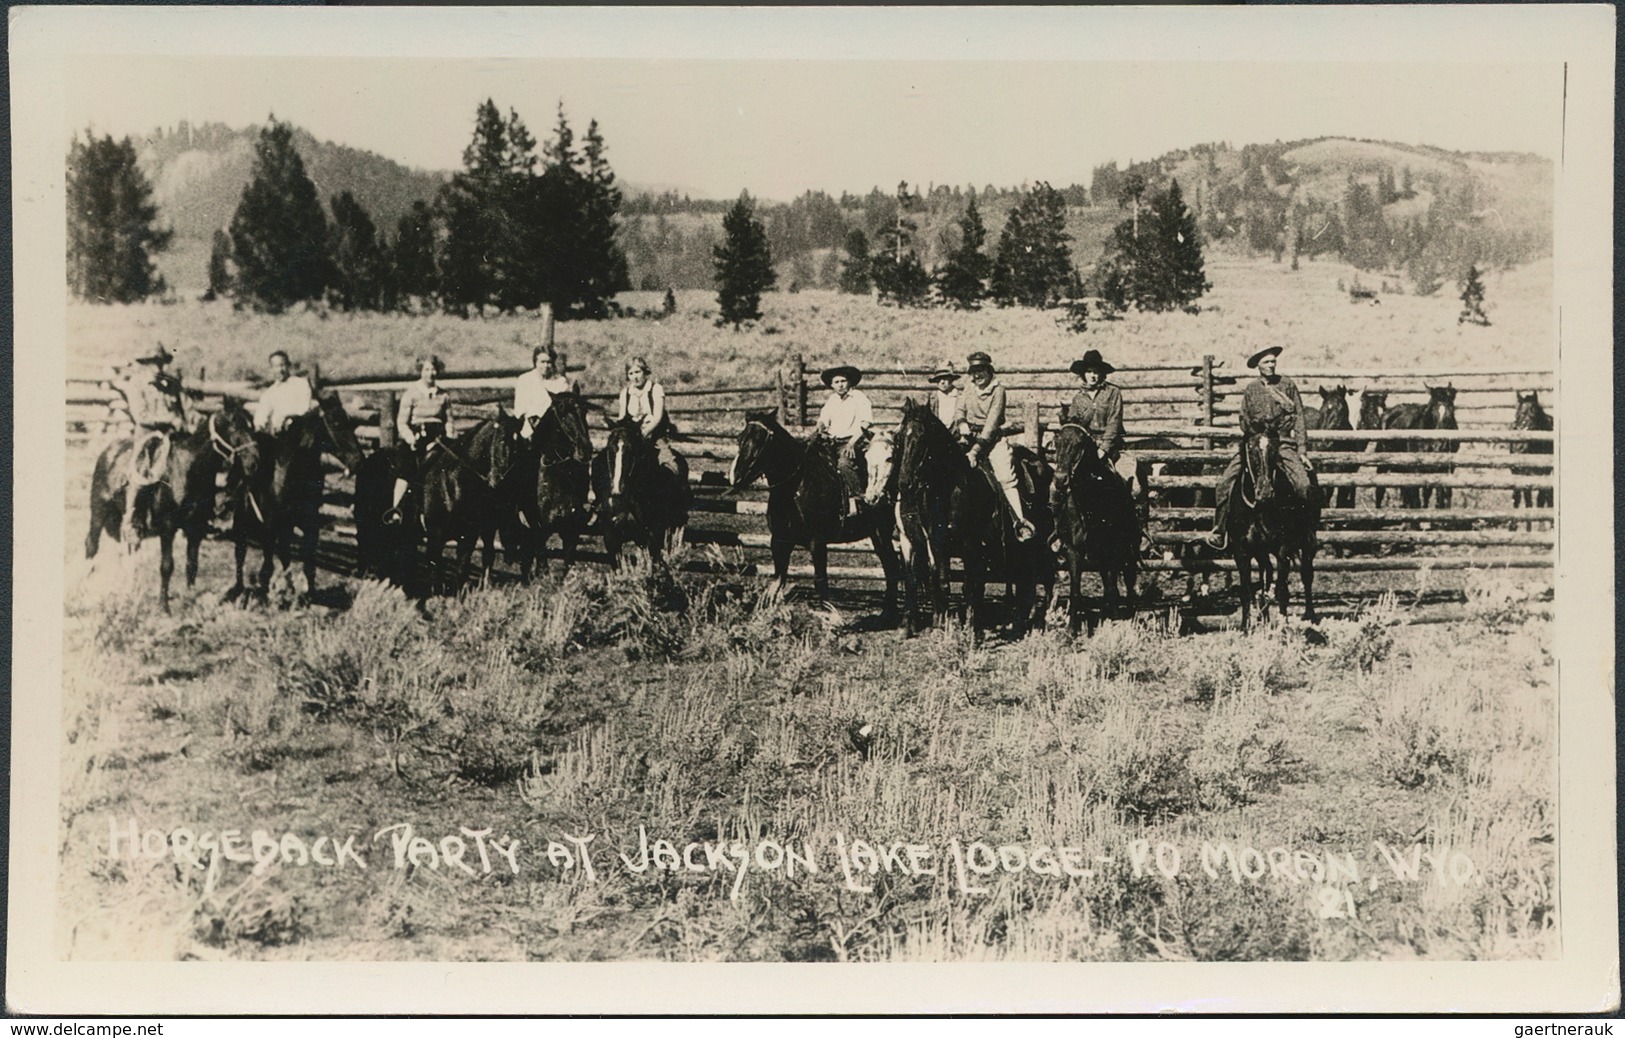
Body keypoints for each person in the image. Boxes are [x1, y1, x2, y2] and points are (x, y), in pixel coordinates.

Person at [1205, 346, 1314, 550]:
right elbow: (1243, 419)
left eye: (1273, 361)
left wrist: (1302, 450)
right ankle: (1219, 530)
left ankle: (1304, 531)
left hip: (1282, 443)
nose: (1271, 365)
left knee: (1304, 485)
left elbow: (1299, 417)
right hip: (1255, 443)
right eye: (1267, 362)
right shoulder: (1251, 389)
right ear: (1258, 365)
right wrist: (1253, 431)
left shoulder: (1287, 385)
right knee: (1223, 484)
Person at [954, 351, 1034, 542]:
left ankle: (1019, 522)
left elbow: (991, 424)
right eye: (973, 371)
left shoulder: (998, 390)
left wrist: (975, 451)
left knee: (1005, 476)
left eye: (980, 370)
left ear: (989, 370)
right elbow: (959, 408)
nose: (977, 376)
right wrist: (961, 422)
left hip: (992, 440)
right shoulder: (968, 387)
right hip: (968, 437)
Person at [113, 343, 188, 543]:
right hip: (148, 435)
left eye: (160, 363)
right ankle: (132, 518)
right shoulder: (136, 384)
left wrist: (185, 421)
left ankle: (188, 516)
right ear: (145, 365)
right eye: (153, 364)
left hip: (171, 436)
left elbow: (183, 408)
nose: (157, 368)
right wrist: (169, 419)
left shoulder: (171, 384)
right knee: (142, 471)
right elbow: (141, 416)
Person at [384, 355, 454, 525]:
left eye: (434, 369)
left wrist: (450, 436)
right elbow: (402, 422)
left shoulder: (444, 395)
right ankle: (396, 508)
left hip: (439, 439)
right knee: (406, 468)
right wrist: (410, 438)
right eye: (427, 369)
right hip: (417, 438)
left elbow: (449, 420)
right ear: (421, 371)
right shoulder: (411, 394)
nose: (431, 373)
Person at [1059, 349, 1134, 484]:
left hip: (1111, 449)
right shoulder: (1078, 398)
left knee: (1130, 482)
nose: (1092, 376)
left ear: (1102, 374)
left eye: (1096, 372)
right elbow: (1074, 427)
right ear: (1083, 374)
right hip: (1085, 448)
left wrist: (1104, 448)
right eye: (1088, 372)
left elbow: (1114, 422)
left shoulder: (1113, 392)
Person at [814, 364, 873, 516]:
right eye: (836, 382)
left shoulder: (859, 397)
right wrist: (820, 425)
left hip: (854, 440)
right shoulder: (832, 399)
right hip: (833, 441)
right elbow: (824, 418)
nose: (840, 385)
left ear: (849, 382)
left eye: (843, 381)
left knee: (844, 463)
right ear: (832, 385)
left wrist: (852, 443)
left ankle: (858, 499)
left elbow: (866, 422)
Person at [615, 355, 681, 477]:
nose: (635, 377)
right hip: (632, 437)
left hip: (654, 436)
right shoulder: (626, 394)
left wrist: (644, 433)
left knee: (669, 464)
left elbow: (657, 417)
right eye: (631, 373)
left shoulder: (655, 389)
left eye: (638, 372)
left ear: (645, 372)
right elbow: (622, 418)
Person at [513, 342, 574, 439]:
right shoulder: (525, 380)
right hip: (529, 428)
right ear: (535, 362)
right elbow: (520, 409)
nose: (546, 366)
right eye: (542, 362)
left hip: (554, 430)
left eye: (549, 362)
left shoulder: (560, 382)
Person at [252, 350, 315, 434]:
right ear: (271, 368)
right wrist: (259, 425)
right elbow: (262, 413)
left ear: (288, 365)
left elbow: (304, 409)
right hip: (279, 435)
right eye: (276, 366)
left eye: (282, 365)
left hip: (300, 430)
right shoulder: (269, 393)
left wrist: (286, 418)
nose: (280, 370)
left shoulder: (301, 384)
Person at [927, 360, 962, 427]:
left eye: (945, 378)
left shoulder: (960, 397)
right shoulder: (932, 398)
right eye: (939, 379)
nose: (942, 382)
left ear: (951, 379)